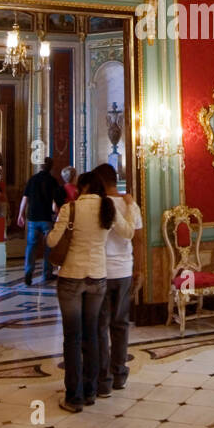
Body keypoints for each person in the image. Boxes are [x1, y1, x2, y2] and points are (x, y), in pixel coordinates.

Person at [48, 171, 133, 412]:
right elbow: (128, 232)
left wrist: (54, 231)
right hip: (98, 277)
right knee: (94, 334)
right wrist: (130, 206)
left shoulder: (70, 209)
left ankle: (74, 397)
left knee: (73, 338)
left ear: (82, 187)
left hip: (71, 278)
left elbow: (52, 242)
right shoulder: (107, 207)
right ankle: (93, 390)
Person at [93, 163, 142, 396]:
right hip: (124, 270)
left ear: (101, 182)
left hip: (102, 271)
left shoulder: (99, 205)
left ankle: (104, 380)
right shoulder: (130, 205)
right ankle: (120, 374)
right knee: (120, 324)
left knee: (101, 325)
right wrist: (140, 268)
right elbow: (138, 240)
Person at [19, 157, 66, 286]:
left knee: (31, 246)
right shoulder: (52, 181)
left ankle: (28, 271)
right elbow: (55, 201)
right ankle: (47, 273)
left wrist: (20, 214)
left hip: (33, 217)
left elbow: (25, 198)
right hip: (46, 217)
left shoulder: (32, 180)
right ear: (51, 167)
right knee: (48, 246)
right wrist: (57, 214)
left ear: (40, 167)